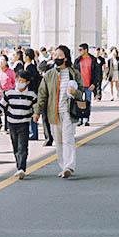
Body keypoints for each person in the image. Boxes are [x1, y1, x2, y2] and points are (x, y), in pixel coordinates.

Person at [35, 45, 82, 178]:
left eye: (59, 55)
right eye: (55, 55)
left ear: (65, 58)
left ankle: (69, 166)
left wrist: (75, 92)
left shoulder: (74, 73)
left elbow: (81, 93)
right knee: (59, 141)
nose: (56, 57)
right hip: (53, 113)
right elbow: (42, 94)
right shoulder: (49, 74)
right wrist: (37, 111)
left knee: (68, 139)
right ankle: (63, 166)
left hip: (68, 112)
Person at [0, 69, 36, 179]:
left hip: (24, 124)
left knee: (22, 146)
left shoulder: (31, 95)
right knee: (15, 146)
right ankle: (18, 166)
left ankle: (21, 168)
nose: (20, 83)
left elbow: (36, 107)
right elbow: (1, 106)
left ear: (27, 82)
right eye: (18, 80)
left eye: (22, 81)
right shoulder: (9, 94)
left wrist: (36, 114)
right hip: (12, 123)